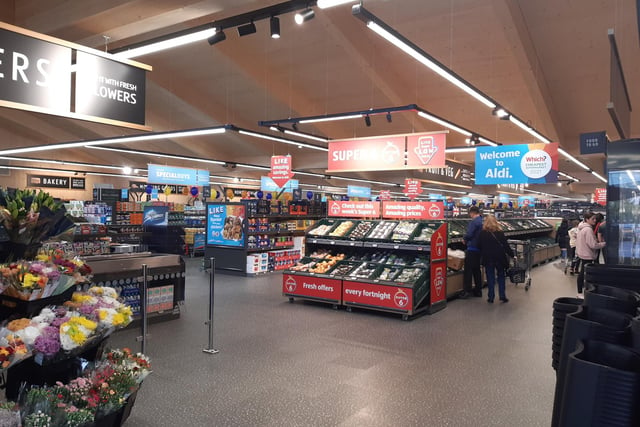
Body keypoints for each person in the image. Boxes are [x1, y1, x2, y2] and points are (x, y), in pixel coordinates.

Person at [478, 215, 515, 303]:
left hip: (488, 258)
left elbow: (479, 246)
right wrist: (512, 255)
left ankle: (491, 297)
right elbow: (506, 246)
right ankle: (502, 295)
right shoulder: (500, 232)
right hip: (499, 257)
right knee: (501, 276)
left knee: (490, 277)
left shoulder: (482, 233)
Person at [575, 212, 606, 297]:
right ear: (587, 219)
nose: (595, 220)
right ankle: (581, 292)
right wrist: (603, 244)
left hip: (582, 253)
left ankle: (580, 292)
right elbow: (593, 245)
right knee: (584, 274)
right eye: (593, 219)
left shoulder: (581, 227)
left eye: (595, 218)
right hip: (587, 254)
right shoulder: (588, 230)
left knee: (582, 273)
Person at [460, 206, 483, 299]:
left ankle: (467, 291)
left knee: (468, 271)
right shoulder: (482, 221)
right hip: (479, 249)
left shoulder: (474, 222)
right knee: (477, 270)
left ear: (472, 213)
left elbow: (469, 234)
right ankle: (478, 291)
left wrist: (464, 239)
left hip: (472, 248)